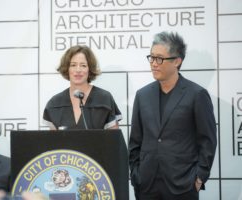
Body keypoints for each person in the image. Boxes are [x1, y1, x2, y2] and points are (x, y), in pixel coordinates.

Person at [129, 31, 217, 200]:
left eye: (160, 59)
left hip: (183, 185)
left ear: (177, 61)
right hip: (146, 185)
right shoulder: (143, 95)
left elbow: (207, 140)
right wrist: (136, 174)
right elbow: (135, 141)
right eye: (152, 57)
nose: (154, 64)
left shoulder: (197, 94)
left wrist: (199, 177)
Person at [43, 45, 122, 130]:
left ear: (89, 69)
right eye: (73, 65)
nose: (78, 70)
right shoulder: (55, 103)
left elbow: (114, 140)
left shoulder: (104, 98)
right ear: (67, 68)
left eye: (83, 65)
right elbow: (52, 142)